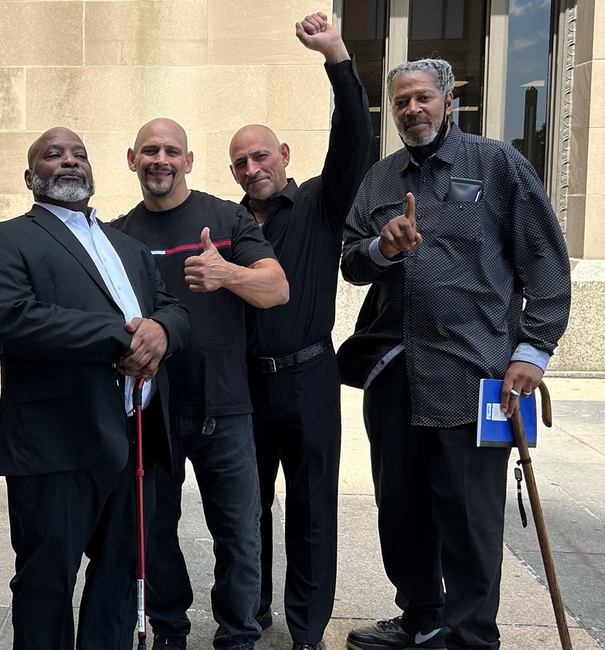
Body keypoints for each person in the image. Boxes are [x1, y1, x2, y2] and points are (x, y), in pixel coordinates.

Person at [338, 58, 572, 650]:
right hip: (395, 373)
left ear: (448, 99)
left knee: (469, 522)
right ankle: (421, 619)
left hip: (477, 373)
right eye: (400, 103)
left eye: (421, 98)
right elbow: (349, 261)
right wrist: (380, 248)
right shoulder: (382, 179)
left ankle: (470, 637)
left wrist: (534, 350)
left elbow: (545, 262)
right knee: (401, 513)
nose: (411, 110)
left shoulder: (497, 166)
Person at [0, 127, 191, 650]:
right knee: (46, 582)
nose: (69, 162)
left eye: (79, 154)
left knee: (120, 575)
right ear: (31, 177)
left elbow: (175, 309)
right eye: (53, 155)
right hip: (55, 439)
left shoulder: (130, 248)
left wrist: (162, 331)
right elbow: (12, 318)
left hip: (133, 435)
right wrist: (122, 336)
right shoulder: (6, 237)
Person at [112, 110, 288, 650]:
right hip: (152, 410)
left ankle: (239, 634)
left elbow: (275, 288)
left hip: (226, 409)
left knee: (238, 535)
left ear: (188, 161)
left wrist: (225, 273)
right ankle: (169, 626)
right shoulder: (115, 236)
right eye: (150, 151)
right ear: (133, 161)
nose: (160, 160)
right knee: (154, 531)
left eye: (171, 151)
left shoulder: (228, 221)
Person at [226, 13, 372, 650]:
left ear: (284, 155)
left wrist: (337, 58)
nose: (252, 167)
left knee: (312, 511)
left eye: (261, 155)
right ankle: (251, 611)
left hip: (311, 376)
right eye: (240, 162)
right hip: (245, 387)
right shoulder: (227, 222)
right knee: (247, 510)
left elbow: (353, 141)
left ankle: (307, 628)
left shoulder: (320, 203)